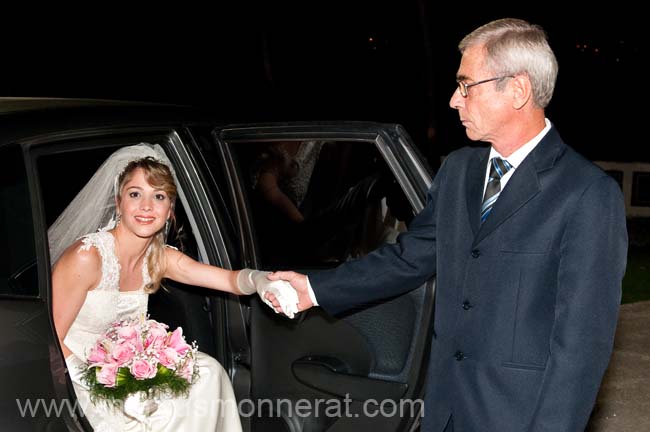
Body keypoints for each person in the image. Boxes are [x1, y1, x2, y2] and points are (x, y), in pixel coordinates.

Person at [267, 18, 628, 431]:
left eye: (465, 85)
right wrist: (314, 288)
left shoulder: (586, 194)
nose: (455, 101)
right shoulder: (458, 171)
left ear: (517, 89)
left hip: (519, 418)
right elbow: (408, 258)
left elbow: (581, 347)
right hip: (444, 409)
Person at [50, 144, 295, 432]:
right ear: (118, 203)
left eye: (159, 196)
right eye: (135, 194)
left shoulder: (159, 257)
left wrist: (260, 280)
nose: (146, 206)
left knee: (208, 373)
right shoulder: (87, 257)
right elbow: (51, 339)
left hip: (124, 374)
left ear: (169, 210)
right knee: (162, 412)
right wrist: (103, 385)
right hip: (79, 377)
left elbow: (229, 280)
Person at [251, 140, 387, 263]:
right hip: (281, 236)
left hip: (311, 224)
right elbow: (270, 191)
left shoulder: (319, 144)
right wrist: (306, 231)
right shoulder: (273, 152)